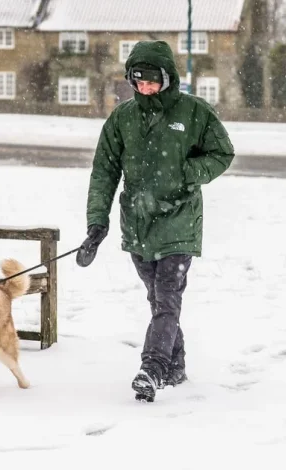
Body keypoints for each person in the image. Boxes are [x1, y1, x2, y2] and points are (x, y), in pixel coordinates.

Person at [76, 40, 235, 403]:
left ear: (167, 78)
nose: (145, 88)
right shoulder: (123, 119)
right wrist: (96, 224)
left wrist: (189, 172)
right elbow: (104, 172)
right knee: (157, 299)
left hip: (179, 220)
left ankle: (154, 368)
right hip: (138, 223)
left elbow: (222, 153)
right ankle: (176, 364)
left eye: (151, 81)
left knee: (167, 298)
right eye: (138, 81)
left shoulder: (194, 112)